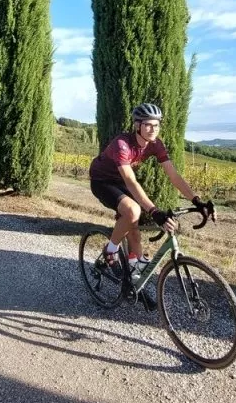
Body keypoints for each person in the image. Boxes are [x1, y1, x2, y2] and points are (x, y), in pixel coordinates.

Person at [88, 102, 213, 309]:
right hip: (102, 181)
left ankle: (134, 283)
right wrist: (154, 211)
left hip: (120, 180)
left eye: (156, 125)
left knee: (134, 230)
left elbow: (174, 176)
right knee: (133, 210)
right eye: (148, 125)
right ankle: (110, 250)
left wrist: (196, 200)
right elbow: (131, 181)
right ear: (137, 125)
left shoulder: (155, 144)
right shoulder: (122, 144)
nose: (153, 129)